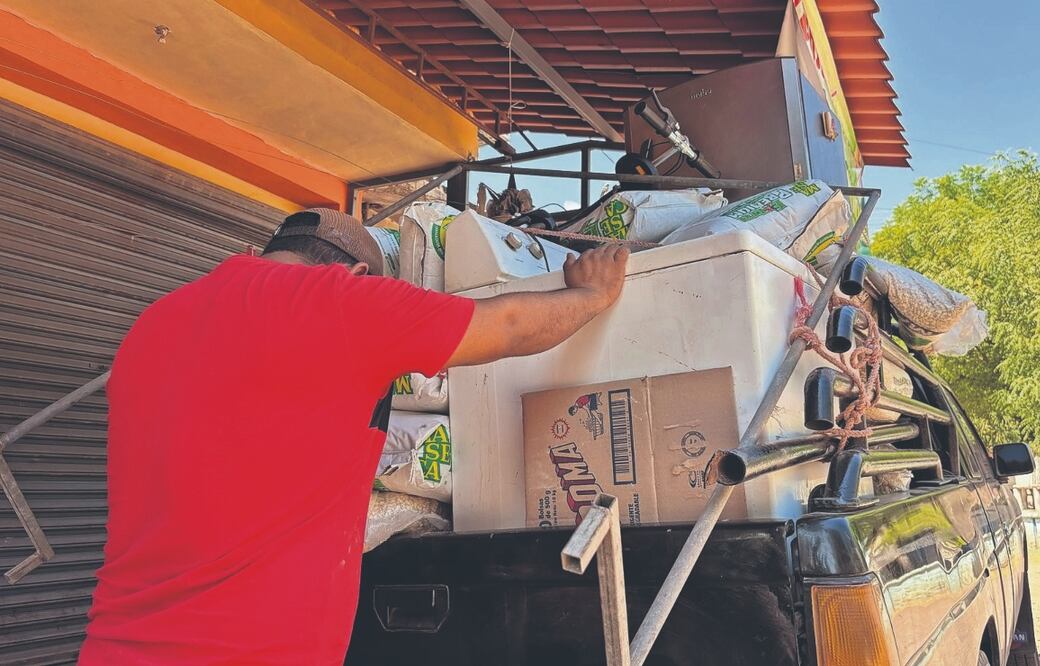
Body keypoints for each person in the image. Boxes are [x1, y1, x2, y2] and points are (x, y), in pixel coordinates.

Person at [79, 208, 628, 665]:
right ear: (358, 273)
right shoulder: (335, 303)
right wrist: (592, 295)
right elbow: (505, 327)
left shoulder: (153, 324)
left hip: (112, 646)